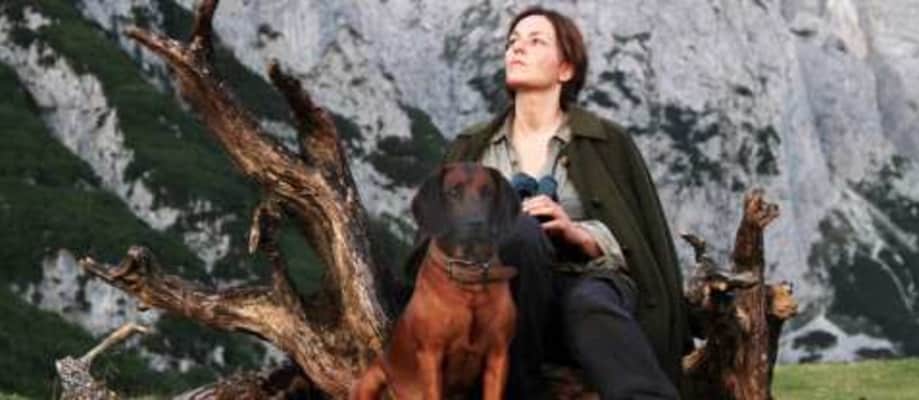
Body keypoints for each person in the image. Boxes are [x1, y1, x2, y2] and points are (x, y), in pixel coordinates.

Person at [438, 6, 692, 400]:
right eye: (512, 42)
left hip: (583, 281)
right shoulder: (471, 146)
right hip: (497, 293)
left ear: (566, 69)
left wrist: (579, 233)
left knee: (591, 302)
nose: (517, 48)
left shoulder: (607, 141)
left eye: (535, 41)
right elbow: (435, 240)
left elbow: (641, 242)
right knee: (520, 233)